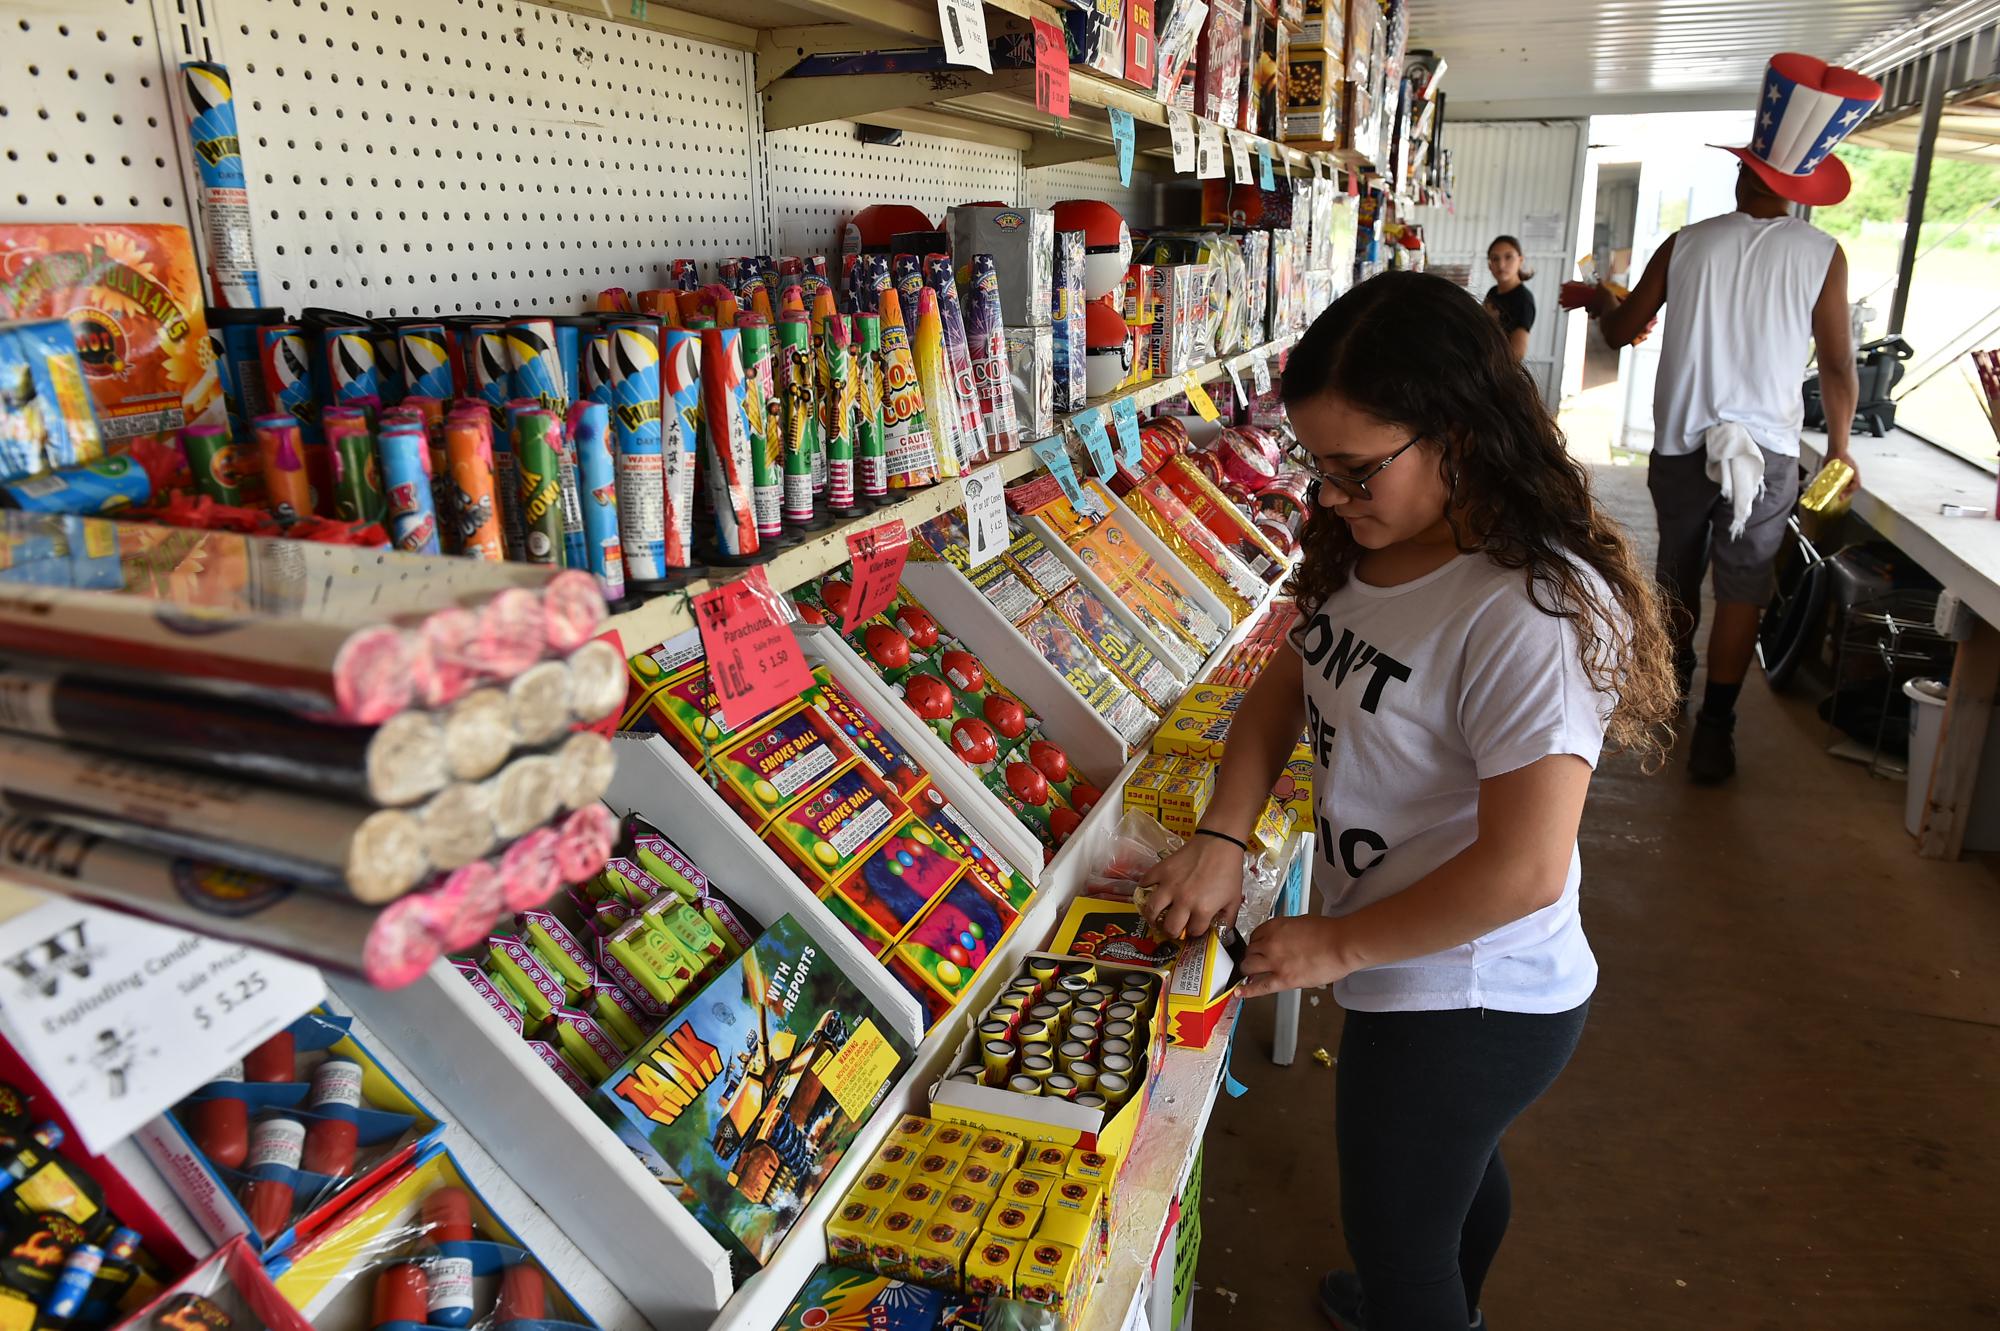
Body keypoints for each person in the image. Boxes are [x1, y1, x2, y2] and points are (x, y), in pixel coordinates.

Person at [1139, 270, 1677, 1331]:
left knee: (1395, 1235)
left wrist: (1335, 947)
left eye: (1355, 469)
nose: (1329, 496)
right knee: (1448, 1178)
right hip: (1409, 961)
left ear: (1458, 433)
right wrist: (1219, 836)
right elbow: (1284, 683)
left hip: (1472, 993)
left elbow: (1521, 869)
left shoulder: (1524, 612)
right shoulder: (1369, 551)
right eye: (1318, 468)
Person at [1562, 52, 1879, 783]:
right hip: (1765, 453)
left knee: (1677, 573)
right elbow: (1836, 365)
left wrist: (1603, 301)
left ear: (1744, 177)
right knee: (1744, 587)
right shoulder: (1823, 255)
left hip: (1681, 443)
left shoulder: (1688, 243)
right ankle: (1716, 729)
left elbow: (1621, 331)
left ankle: (1671, 686)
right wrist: (1839, 447)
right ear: (1797, 191)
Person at [1482, 235, 1535, 360]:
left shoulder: (1523, 299)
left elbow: (1517, 354)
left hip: (1496, 371)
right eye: (1495, 259)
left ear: (1520, 260)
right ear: (1490, 265)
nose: (1501, 264)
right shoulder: (1493, 292)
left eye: (1508, 257)